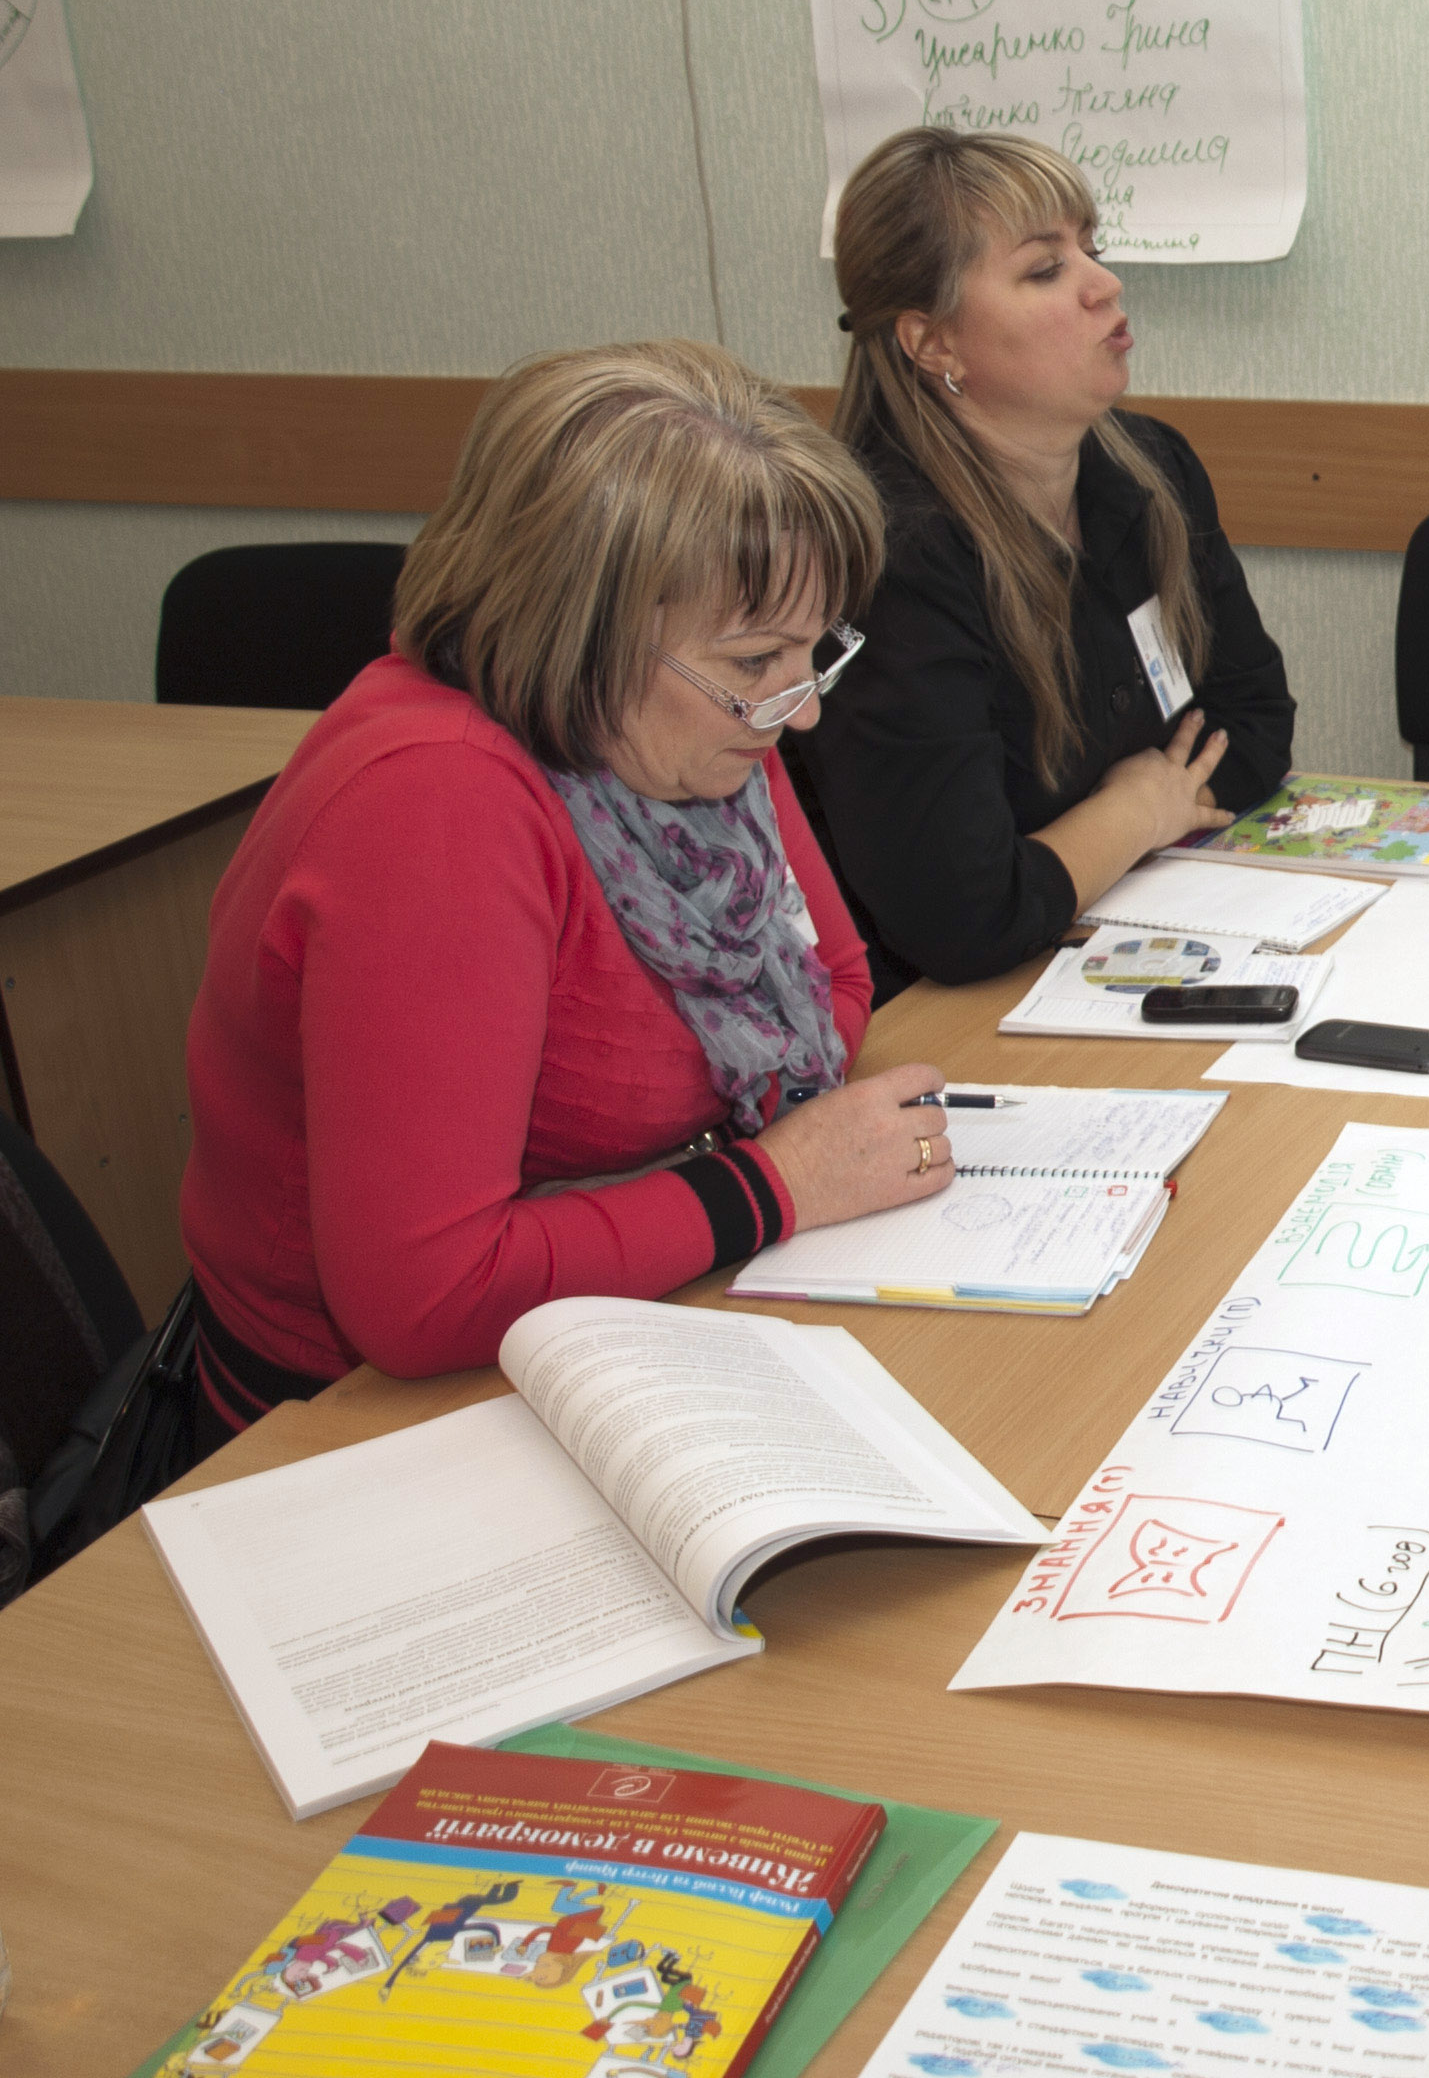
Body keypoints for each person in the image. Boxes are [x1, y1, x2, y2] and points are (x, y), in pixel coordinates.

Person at [180, 342, 957, 1437]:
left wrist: (704, 1185)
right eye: (755, 664)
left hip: (616, 1311)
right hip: (353, 1417)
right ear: (578, 635)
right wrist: (769, 1184)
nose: (802, 707)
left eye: (811, 652)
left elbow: (832, 982)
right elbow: (425, 1295)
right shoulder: (436, 805)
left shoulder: (684, 714)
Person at [798, 128, 1295, 994]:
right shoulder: (891, 556)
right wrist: (1136, 809)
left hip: (1127, 929)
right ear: (933, 343)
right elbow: (963, 916)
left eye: (1091, 250)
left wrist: (1090, 846)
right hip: (939, 1017)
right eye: (1045, 269)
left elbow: (1253, 725)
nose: (1106, 285)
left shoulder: (1151, 469)